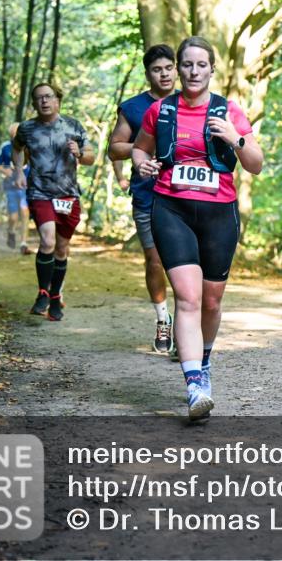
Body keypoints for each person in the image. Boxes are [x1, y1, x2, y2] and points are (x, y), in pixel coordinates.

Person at [132, 36, 263, 420]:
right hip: (170, 208)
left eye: (200, 65)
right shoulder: (161, 110)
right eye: (186, 65)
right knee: (187, 298)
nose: (192, 72)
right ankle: (193, 385)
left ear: (211, 69)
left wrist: (235, 139)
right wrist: (142, 163)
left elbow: (255, 163)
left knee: (210, 300)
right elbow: (140, 146)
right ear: (178, 68)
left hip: (218, 214)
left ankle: (203, 361)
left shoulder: (229, 111)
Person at [108, 44, 177, 354]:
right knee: (155, 260)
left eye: (167, 68)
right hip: (148, 194)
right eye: (156, 70)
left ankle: (190, 322)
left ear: (176, 69)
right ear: (148, 74)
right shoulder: (134, 108)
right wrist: (144, 144)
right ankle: (163, 320)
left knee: (189, 263)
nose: (163, 74)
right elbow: (114, 148)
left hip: (187, 196)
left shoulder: (192, 102)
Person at [13, 82, 95, 321]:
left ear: (58, 99)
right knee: (47, 240)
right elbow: (17, 148)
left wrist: (79, 153)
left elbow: (91, 157)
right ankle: (42, 292)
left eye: (48, 97)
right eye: (39, 98)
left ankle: (56, 296)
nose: (44, 101)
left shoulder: (73, 126)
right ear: (34, 103)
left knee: (61, 247)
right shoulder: (27, 128)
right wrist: (19, 170)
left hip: (68, 195)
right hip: (40, 192)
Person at [0, 122, 32, 255]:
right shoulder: (4, 147)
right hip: (10, 186)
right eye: (14, 132)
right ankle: (11, 231)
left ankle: (23, 243)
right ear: (10, 133)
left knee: (25, 212)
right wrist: (6, 171)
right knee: (14, 217)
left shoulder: (30, 145)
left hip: (26, 187)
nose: (17, 134)